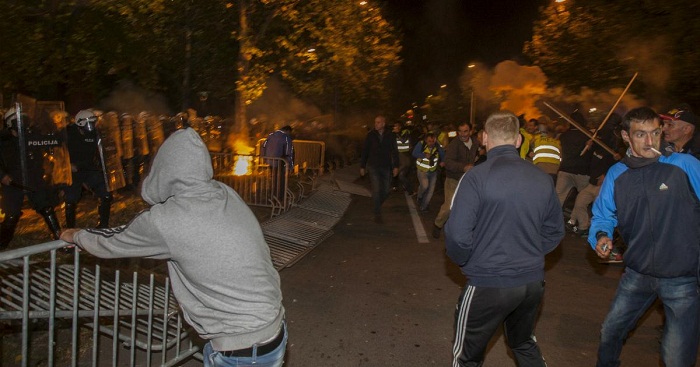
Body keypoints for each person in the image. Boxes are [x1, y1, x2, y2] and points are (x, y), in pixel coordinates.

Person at [60, 128, 287, 367]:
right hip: (271, 326)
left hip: (242, 347)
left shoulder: (166, 219)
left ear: (164, 169)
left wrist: (76, 235)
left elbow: (111, 243)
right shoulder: (225, 193)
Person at [445, 111, 564, 367]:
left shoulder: (476, 177)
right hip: (531, 282)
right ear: (519, 141)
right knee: (523, 343)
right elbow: (555, 230)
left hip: (488, 281)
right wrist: (529, 252)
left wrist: (467, 262)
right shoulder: (542, 178)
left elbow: (456, 234)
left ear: (484, 138)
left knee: (466, 357)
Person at [588, 107, 700, 367]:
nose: (651, 141)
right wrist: (601, 236)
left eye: (656, 133)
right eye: (641, 134)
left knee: (675, 357)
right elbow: (603, 215)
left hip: (681, 277)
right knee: (609, 332)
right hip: (637, 273)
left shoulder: (684, 166)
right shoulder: (617, 173)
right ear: (626, 137)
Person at [0, 107, 64, 250]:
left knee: (47, 208)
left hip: (34, 180)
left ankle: (59, 239)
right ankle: (2, 246)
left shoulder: (33, 137)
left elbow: (51, 141)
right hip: (13, 182)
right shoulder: (3, 141)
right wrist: (2, 176)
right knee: (11, 217)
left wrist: (61, 132)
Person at [64, 110, 113, 228]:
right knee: (70, 200)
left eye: (93, 123)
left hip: (88, 169)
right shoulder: (67, 133)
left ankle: (103, 226)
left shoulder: (95, 134)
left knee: (106, 194)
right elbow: (56, 152)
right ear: (80, 123)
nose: (91, 126)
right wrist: (67, 164)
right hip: (72, 171)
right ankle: (69, 228)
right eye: (89, 123)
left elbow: (101, 151)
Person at [432, 122, 478, 238]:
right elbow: (448, 162)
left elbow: (476, 155)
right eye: (460, 131)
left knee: (471, 206)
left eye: (465, 131)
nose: (462, 134)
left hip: (468, 180)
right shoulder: (454, 144)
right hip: (453, 179)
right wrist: (464, 167)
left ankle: (465, 230)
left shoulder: (475, 143)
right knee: (449, 207)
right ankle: (438, 225)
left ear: (470, 131)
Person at [360, 115, 399, 223]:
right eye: (375, 122)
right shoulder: (370, 135)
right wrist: (362, 166)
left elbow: (394, 151)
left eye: (378, 122)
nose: (376, 124)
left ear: (383, 124)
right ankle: (377, 213)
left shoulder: (390, 135)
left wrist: (396, 166)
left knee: (386, 190)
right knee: (376, 189)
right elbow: (365, 151)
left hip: (386, 166)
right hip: (373, 166)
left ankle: (377, 205)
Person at [556, 111, 593, 215]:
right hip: (582, 171)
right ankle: (580, 223)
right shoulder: (587, 136)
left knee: (559, 197)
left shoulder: (564, 136)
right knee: (583, 200)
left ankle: (553, 220)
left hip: (565, 169)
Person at [412, 132, 445, 212]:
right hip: (422, 170)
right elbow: (414, 153)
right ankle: (419, 196)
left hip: (433, 171)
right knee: (425, 185)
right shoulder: (421, 144)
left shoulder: (437, 145)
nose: (431, 143)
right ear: (426, 140)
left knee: (430, 191)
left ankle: (424, 206)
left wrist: (443, 161)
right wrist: (424, 155)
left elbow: (442, 153)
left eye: (433, 141)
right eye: (429, 141)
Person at [262, 125, 294, 202]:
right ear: (288, 131)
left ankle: (272, 195)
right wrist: (290, 166)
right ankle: (279, 198)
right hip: (280, 162)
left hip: (270, 161)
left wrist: (264, 158)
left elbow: (263, 146)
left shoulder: (271, 135)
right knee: (281, 180)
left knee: (273, 179)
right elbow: (289, 152)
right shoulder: (286, 138)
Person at [392, 120, 414, 194]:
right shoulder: (394, 134)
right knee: (397, 171)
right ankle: (396, 186)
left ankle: (409, 189)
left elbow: (403, 140)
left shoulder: (406, 132)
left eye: (396, 126)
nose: (394, 127)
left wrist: (397, 133)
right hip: (398, 155)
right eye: (394, 126)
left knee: (400, 173)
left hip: (405, 155)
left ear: (400, 127)